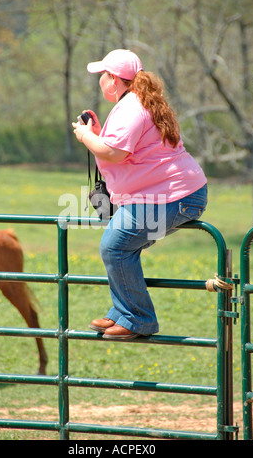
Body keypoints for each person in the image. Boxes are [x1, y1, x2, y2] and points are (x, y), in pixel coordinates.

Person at [72, 49, 207, 340]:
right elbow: (124, 147)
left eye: (103, 75)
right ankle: (123, 312)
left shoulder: (131, 107)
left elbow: (115, 153)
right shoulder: (137, 102)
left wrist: (85, 136)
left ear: (115, 80)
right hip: (173, 194)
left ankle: (138, 319)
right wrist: (96, 131)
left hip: (175, 196)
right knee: (120, 246)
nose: (100, 81)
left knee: (115, 246)